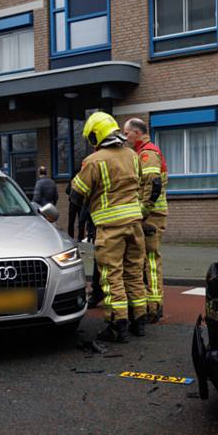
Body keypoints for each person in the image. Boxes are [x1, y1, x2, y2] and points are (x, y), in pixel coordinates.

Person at [69, 112, 147, 342]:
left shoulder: (94, 161)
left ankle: (117, 326)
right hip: (135, 225)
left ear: (97, 135)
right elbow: (139, 184)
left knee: (112, 277)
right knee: (134, 274)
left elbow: (76, 196)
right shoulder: (133, 155)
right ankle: (139, 322)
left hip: (111, 228)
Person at [124, 118, 167, 323]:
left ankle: (153, 308)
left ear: (137, 133)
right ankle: (152, 306)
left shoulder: (147, 154)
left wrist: (141, 212)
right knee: (149, 261)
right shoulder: (143, 152)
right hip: (152, 216)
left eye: (127, 134)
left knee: (150, 262)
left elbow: (153, 186)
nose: (125, 138)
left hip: (151, 217)